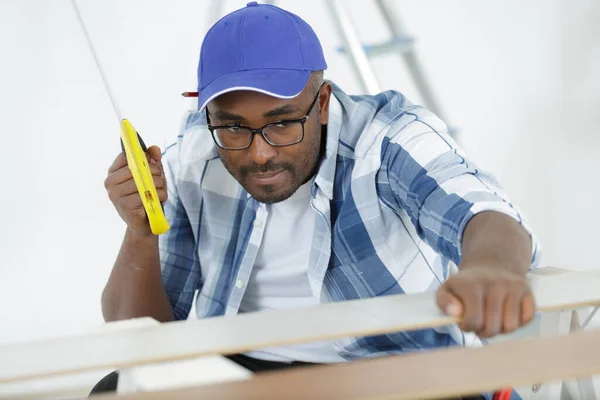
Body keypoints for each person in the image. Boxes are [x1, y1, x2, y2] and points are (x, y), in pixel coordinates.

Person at [97, 2, 540, 399]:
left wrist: (490, 267)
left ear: (323, 102)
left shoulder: (387, 139)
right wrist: (139, 230)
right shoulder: (196, 156)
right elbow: (142, 339)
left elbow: (485, 213)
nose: (260, 152)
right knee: (115, 390)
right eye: (232, 128)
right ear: (207, 115)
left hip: (394, 376)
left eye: (283, 123)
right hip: (245, 377)